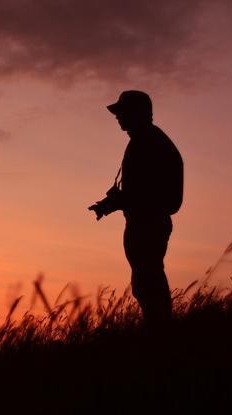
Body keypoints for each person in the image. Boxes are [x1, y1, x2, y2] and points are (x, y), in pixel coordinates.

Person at [88, 90, 183, 326]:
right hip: (144, 222)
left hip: (147, 224)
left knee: (148, 282)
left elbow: (146, 193)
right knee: (145, 282)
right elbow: (140, 192)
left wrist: (116, 202)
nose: (117, 117)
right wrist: (110, 204)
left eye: (122, 112)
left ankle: (160, 335)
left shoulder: (148, 142)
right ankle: (159, 332)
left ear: (137, 113)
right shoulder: (144, 140)